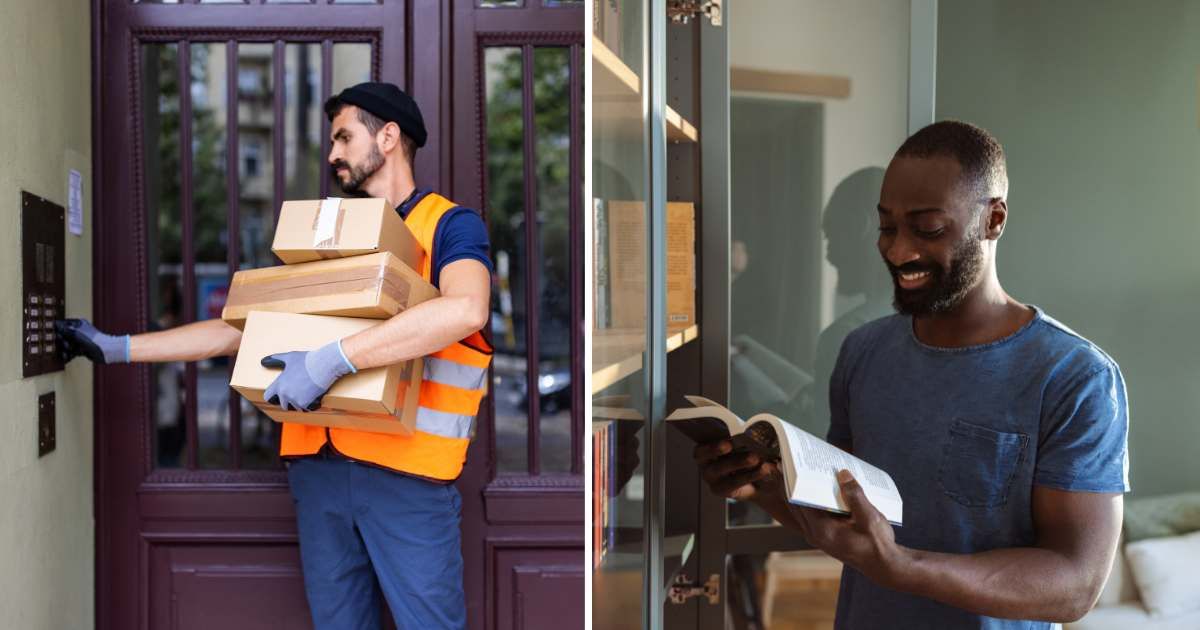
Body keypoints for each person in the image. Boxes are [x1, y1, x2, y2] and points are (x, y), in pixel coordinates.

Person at [56, 82, 493, 630]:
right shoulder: (332, 241)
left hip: (409, 479)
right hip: (320, 475)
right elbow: (243, 331)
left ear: (388, 136)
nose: (332, 154)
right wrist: (116, 348)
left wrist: (330, 359)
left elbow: (466, 310)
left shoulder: (449, 226)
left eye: (343, 137)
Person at [695, 121, 1129, 629]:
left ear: (993, 219)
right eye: (886, 227)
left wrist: (904, 568)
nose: (898, 251)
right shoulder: (863, 352)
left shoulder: (1074, 378)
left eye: (927, 229)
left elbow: (1076, 584)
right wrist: (761, 487)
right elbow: (844, 525)